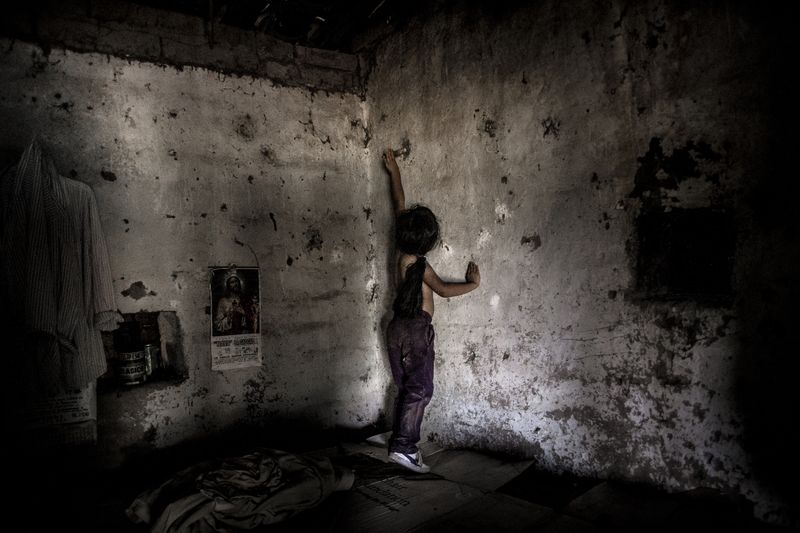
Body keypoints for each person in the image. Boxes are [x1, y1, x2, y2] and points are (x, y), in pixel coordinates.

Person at [383, 147, 481, 473]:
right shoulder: (420, 265)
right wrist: (474, 284)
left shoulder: (401, 249)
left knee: (406, 387)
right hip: (415, 330)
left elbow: (399, 203)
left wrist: (394, 170)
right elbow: (444, 290)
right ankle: (404, 447)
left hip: (396, 327)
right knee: (421, 388)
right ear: (427, 243)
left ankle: (398, 436)